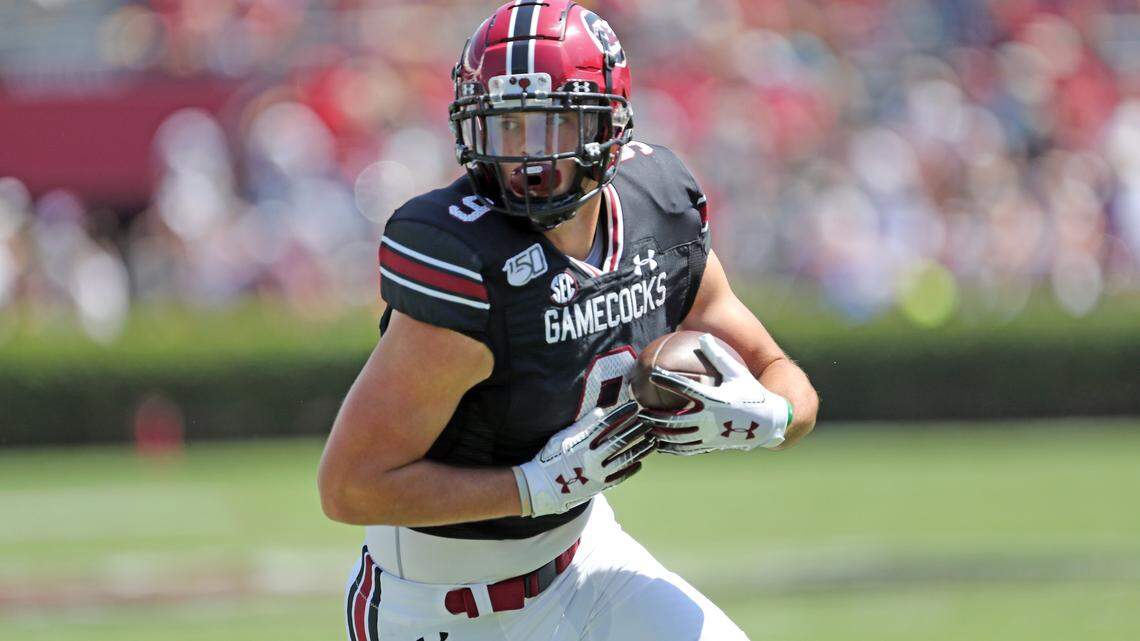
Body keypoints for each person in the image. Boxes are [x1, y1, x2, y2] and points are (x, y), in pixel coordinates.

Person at [318, 2, 819, 639]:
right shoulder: (470, 264)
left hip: (588, 558)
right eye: (506, 130)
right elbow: (350, 488)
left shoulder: (655, 209)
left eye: (550, 127)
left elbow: (780, 374)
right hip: (446, 604)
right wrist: (529, 487)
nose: (525, 158)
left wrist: (773, 417)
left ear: (607, 123)